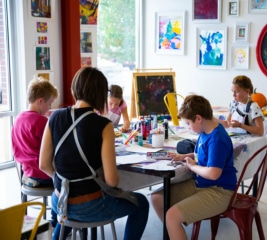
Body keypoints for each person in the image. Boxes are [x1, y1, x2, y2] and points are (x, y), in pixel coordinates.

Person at [39, 67, 149, 240]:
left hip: (59, 200)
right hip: (89, 205)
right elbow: (112, 181)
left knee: (65, 205)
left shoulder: (54, 117)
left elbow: (43, 165)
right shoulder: (104, 125)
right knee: (142, 203)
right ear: (100, 94)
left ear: (74, 88)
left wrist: (64, 182)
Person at [151, 94, 237, 240]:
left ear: (198, 118)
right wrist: (187, 156)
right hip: (202, 183)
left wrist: (192, 166)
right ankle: (174, 233)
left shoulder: (217, 139)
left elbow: (213, 173)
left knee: (172, 217)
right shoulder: (207, 128)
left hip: (219, 191)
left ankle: (174, 227)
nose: (187, 127)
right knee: (157, 198)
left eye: (188, 124)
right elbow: (204, 153)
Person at [11, 77, 58, 226]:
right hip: (43, 175)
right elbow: (56, 148)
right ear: (40, 101)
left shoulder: (18, 119)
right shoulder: (42, 122)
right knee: (68, 180)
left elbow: (15, 150)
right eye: (49, 103)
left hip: (27, 174)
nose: (49, 108)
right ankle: (56, 220)